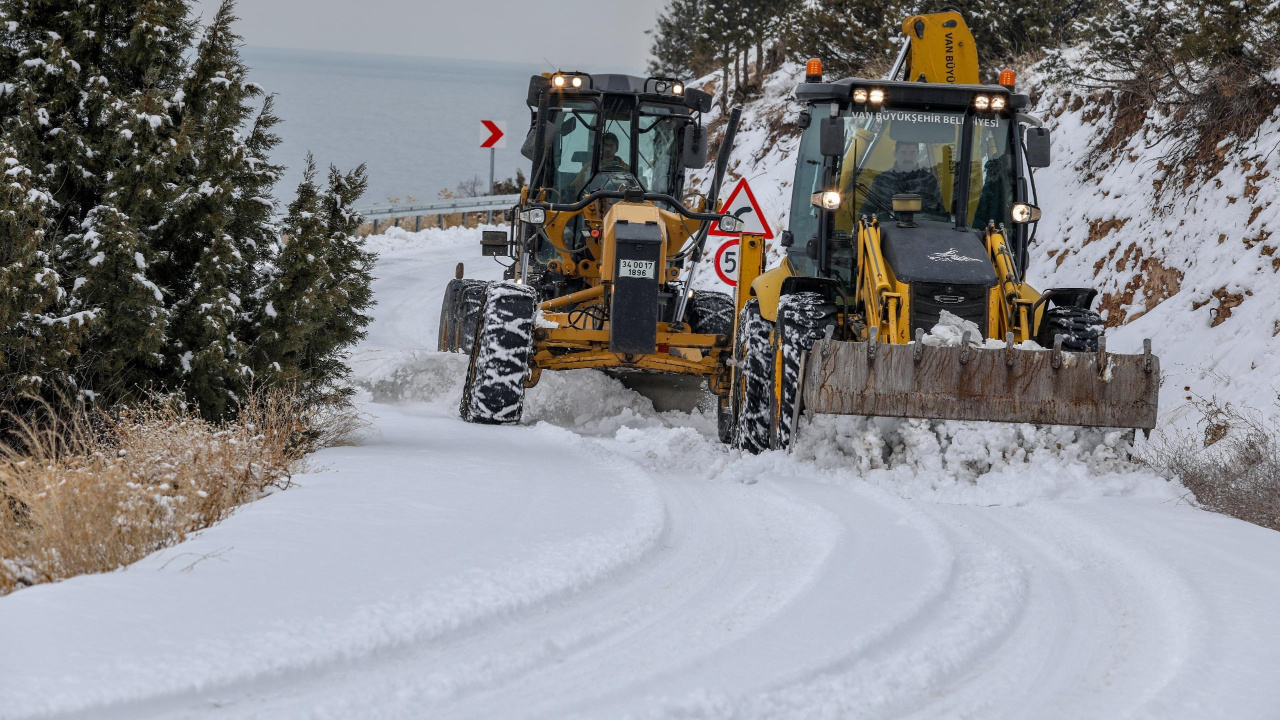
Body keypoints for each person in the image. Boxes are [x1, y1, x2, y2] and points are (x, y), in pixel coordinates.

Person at [859, 141, 947, 220]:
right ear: (895, 154)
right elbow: (867, 212)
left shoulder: (929, 181)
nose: (908, 158)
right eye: (903, 153)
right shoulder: (882, 180)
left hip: (924, 232)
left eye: (912, 153)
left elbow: (940, 215)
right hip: (887, 231)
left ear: (918, 154)